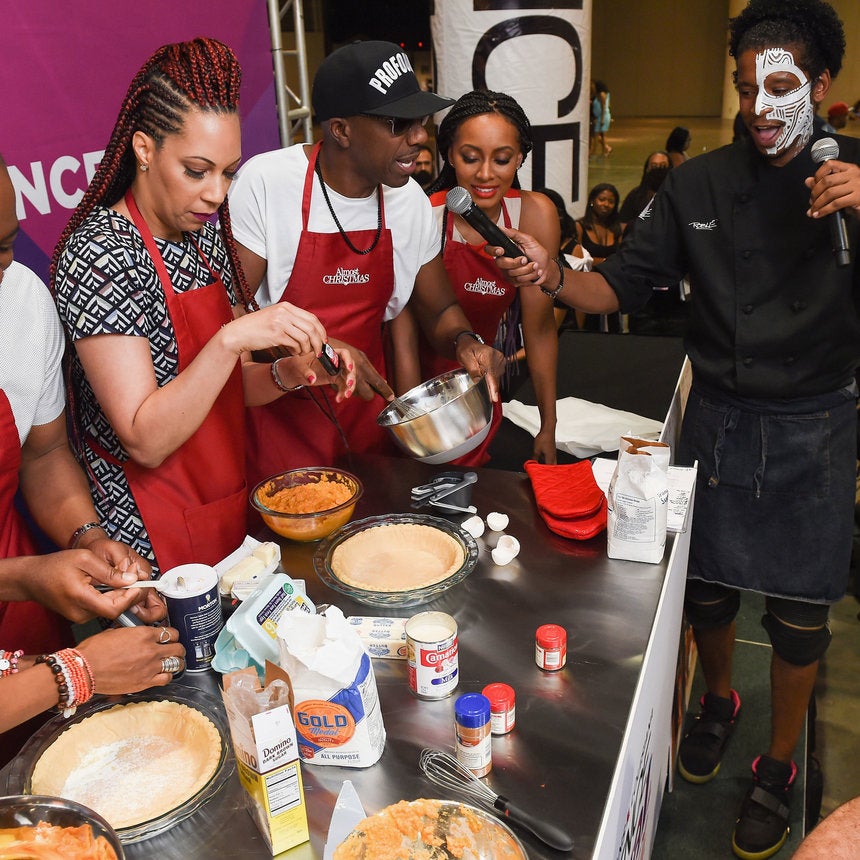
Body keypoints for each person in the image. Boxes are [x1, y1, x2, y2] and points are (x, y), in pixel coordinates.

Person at [492, 1, 860, 856]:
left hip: (816, 423)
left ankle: (778, 763)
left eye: (778, 86)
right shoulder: (699, 184)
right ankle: (718, 699)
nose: (758, 107)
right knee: (708, 593)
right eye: (745, 88)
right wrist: (552, 275)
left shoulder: (854, 175)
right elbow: (619, 284)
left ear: (821, 85)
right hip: (721, 417)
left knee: (800, 619)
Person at [52, 39, 353, 577]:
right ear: (144, 149)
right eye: (197, 170)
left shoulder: (204, 239)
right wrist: (233, 337)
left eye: (228, 172)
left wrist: (290, 373)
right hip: (145, 541)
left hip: (221, 510)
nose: (216, 193)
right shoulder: (101, 253)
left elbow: (226, 388)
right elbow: (145, 438)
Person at [228, 41, 504, 486]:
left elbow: (440, 310)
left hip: (365, 422)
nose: (418, 137)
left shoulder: (409, 203)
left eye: (420, 122)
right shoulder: (267, 184)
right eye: (398, 124)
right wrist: (320, 347)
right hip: (280, 427)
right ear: (341, 130)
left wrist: (466, 341)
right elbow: (232, 316)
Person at [0, 153, 181, 760]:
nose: (2, 270)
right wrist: (75, 673)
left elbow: (44, 453)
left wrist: (87, 536)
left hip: (19, 614)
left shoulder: (20, 300)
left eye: (5, 245)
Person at [388, 90, 559, 466]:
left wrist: (548, 426)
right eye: (470, 157)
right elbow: (404, 330)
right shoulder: (423, 215)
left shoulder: (535, 215)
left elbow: (540, 328)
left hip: (480, 382)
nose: (485, 174)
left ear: (520, 158)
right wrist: (415, 427)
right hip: (413, 383)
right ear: (450, 155)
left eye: (502, 159)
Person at [618, 151, 671, 227]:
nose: (658, 169)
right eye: (654, 166)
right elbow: (623, 223)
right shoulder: (635, 196)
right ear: (647, 169)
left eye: (663, 166)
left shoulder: (679, 194)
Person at [590, 80, 612, 157]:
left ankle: (604, 151)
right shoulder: (596, 95)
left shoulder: (602, 95)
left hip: (603, 116)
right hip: (599, 116)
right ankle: (594, 151)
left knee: (603, 135)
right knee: (596, 134)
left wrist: (602, 119)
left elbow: (603, 108)